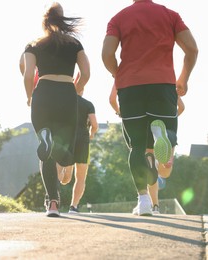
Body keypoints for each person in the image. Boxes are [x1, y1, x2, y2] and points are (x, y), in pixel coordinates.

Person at [102, 0, 198, 216]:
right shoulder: (170, 15)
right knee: (168, 130)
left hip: (130, 88)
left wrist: (120, 75)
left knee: (136, 147)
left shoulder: (118, 18)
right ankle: (161, 135)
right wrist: (183, 78)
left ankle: (144, 201)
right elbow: (192, 49)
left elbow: (107, 54)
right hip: (162, 85)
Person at [22, 2, 90, 217]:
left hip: (43, 93)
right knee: (66, 154)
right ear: (63, 20)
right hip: (66, 95)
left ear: (44, 21)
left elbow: (27, 74)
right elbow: (86, 73)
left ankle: (52, 204)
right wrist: (76, 90)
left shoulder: (33, 45)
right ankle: (52, 146)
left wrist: (30, 96)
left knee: (46, 154)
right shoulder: (74, 44)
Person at [109, 83, 185, 214]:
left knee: (145, 159)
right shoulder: (166, 81)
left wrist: (119, 112)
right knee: (165, 172)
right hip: (162, 113)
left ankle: (151, 204)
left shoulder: (124, 74)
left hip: (136, 114)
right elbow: (182, 107)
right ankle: (165, 139)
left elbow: (112, 99)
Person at [58, 85, 98, 214]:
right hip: (82, 141)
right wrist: (91, 134)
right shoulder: (88, 104)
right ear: (82, 89)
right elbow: (95, 125)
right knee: (80, 177)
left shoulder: (64, 102)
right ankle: (73, 207)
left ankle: (53, 196)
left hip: (67, 139)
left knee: (66, 179)